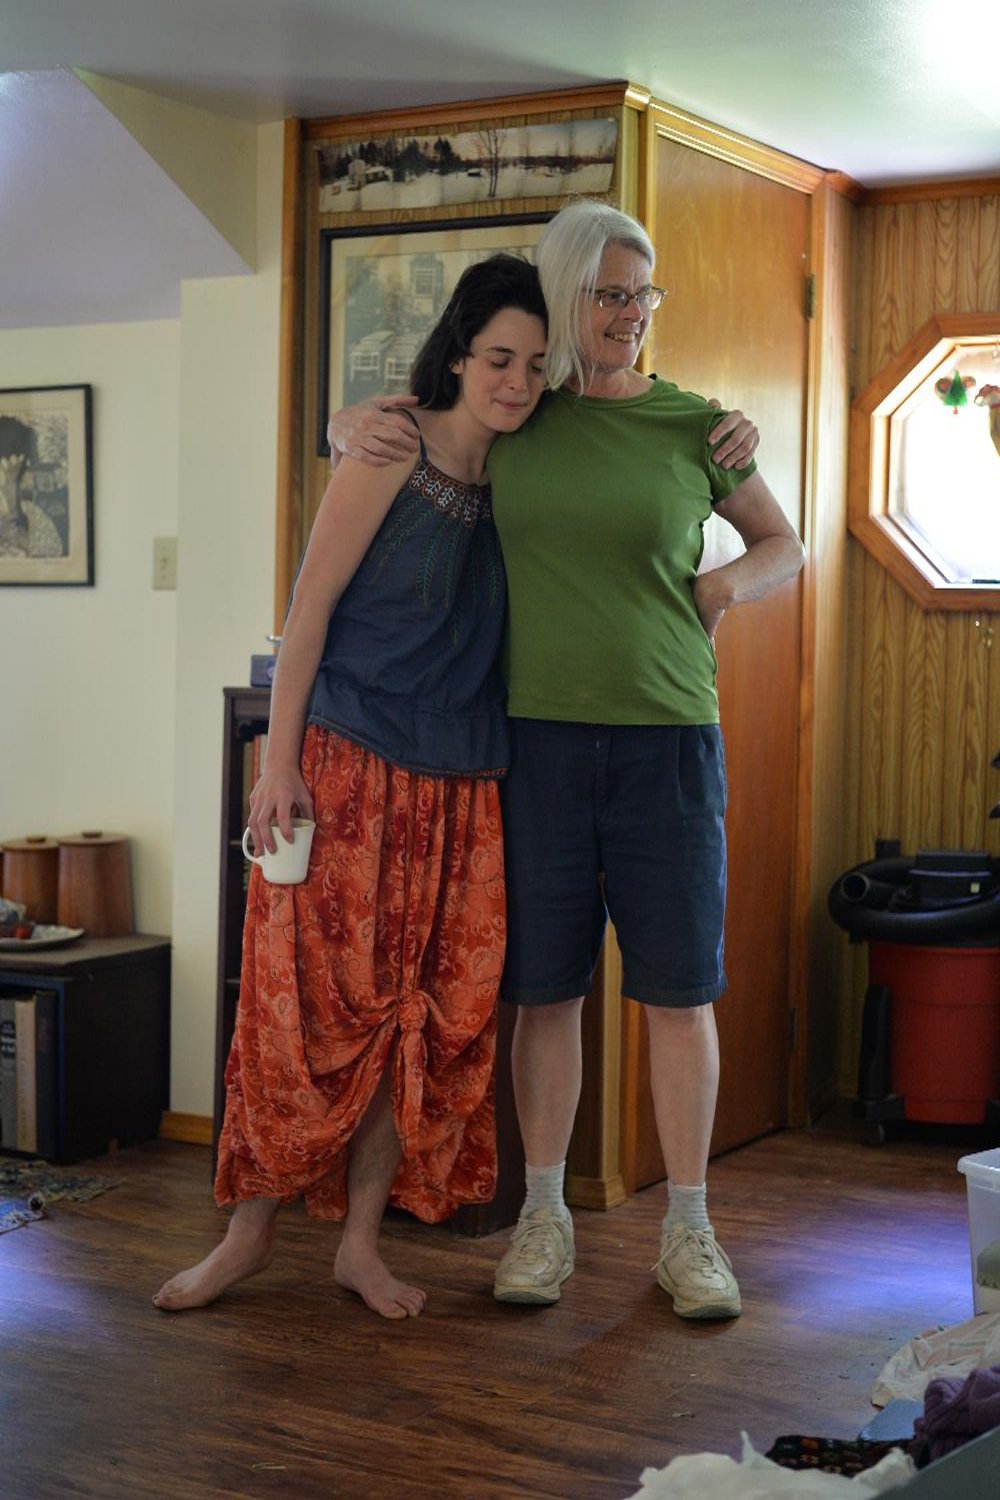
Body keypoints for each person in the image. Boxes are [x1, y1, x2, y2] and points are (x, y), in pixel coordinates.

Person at [328, 199, 805, 1322]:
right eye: (608, 293)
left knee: (678, 993)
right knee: (545, 993)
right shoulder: (519, 415)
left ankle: (689, 1232)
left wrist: (721, 587)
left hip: (668, 742)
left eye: (643, 294)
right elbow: (419, 427)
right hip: (533, 743)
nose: (630, 314)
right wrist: (348, 422)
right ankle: (544, 1220)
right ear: (565, 294)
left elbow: (784, 543)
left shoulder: (699, 428)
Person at [152, 255, 550, 1320]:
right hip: (347, 761)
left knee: (412, 1018)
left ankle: (359, 1247)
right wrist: (277, 762)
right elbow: (310, 606)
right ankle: (245, 1238)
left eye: (533, 365)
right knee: (297, 1010)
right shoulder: (388, 445)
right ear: (458, 354)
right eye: (498, 358)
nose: (515, 382)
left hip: (463, 786)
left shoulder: (530, 468)